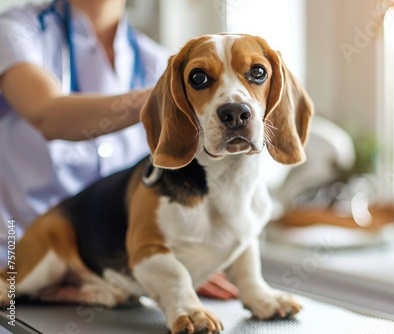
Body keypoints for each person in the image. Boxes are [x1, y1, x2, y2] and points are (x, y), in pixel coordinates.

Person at [0, 0, 236, 299]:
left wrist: (177, 264)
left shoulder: (154, 59)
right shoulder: (17, 31)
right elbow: (47, 114)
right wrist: (164, 96)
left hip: (108, 275)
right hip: (16, 262)